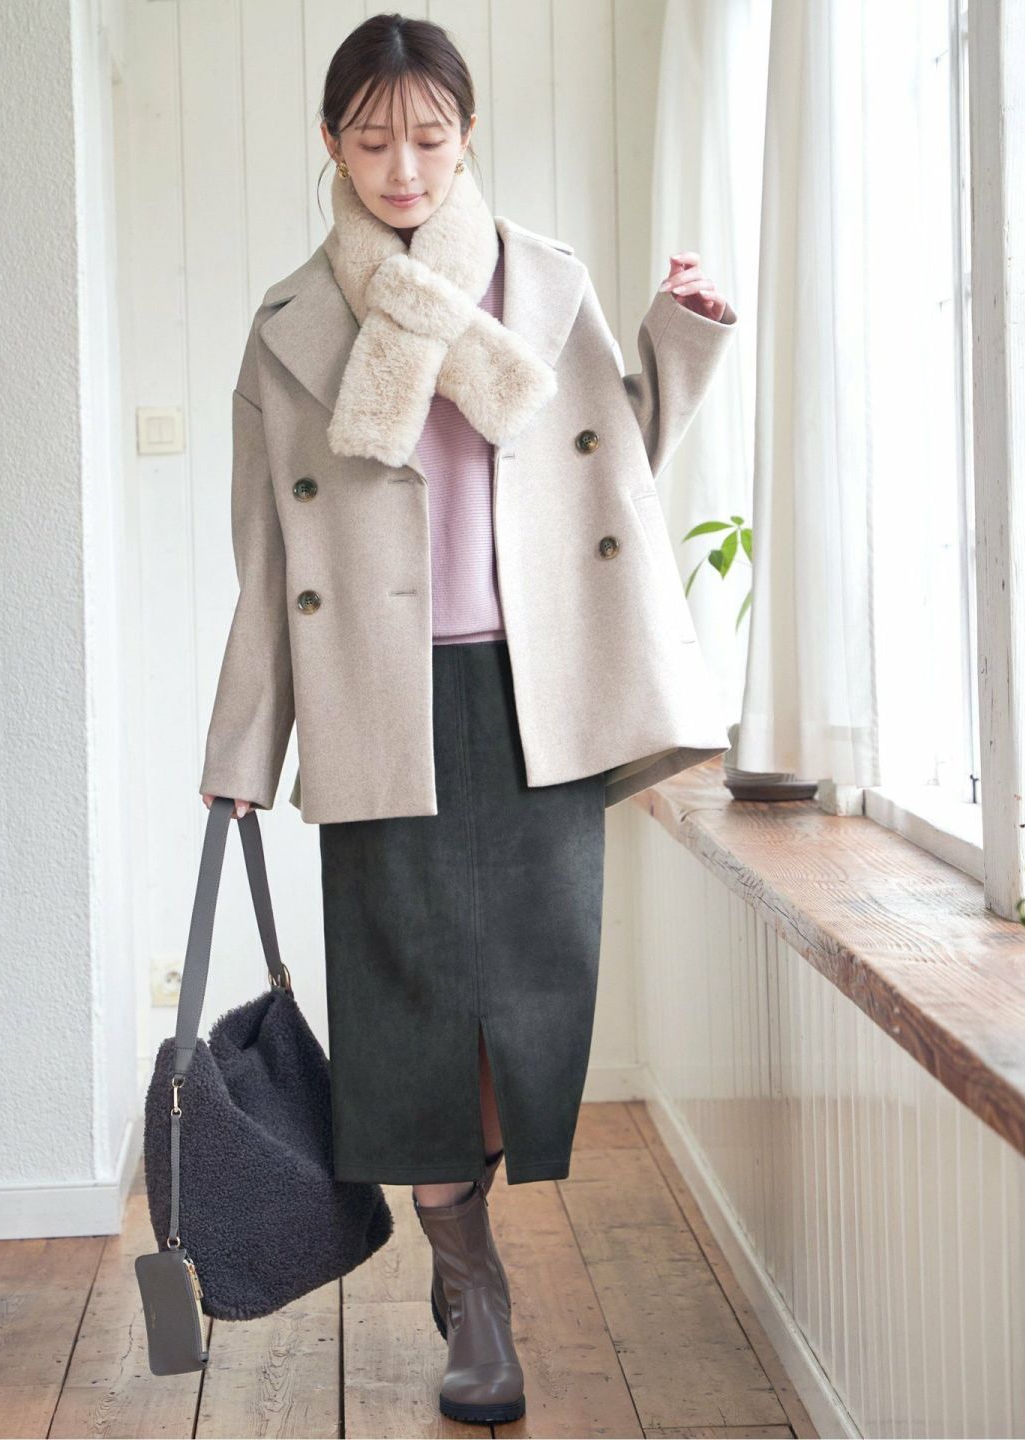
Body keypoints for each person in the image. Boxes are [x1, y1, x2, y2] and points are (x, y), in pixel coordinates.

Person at [201, 12, 737, 1426]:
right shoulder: (289, 326)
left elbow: (615, 465)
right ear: (332, 142)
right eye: (373, 140)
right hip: (375, 705)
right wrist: (242, 751)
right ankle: (474, 1289)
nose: (404, 169)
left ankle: (465, 1231)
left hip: (537, 697)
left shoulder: (543, 284)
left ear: (468, 134)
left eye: (430, 139)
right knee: (408, 1015)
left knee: (529, 1011)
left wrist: (681, 340)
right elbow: (266, 560)